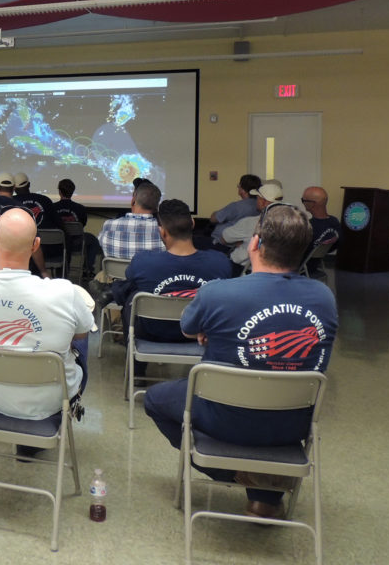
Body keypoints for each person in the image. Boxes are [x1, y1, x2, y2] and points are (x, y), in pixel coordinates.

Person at [144, 204, 338, 519]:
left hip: (223, 416)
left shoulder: (219, 293)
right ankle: (265, 495)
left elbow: (188, 329)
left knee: (154, 400)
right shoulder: (324, 298)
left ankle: (232, 474)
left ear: (255, 243)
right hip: (293, 423)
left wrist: (213, 331)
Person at [0, 208, 93, 426]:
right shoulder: (65, 292)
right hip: (53, 401)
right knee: (80, 337)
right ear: (36, 245)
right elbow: (82, 334)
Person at [100, 199, 232, 376]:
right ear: (192, 224)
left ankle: (136, 371)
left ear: (161, 231)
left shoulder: (143, 262)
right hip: (198, 334)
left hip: (152, 332)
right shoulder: (220, 263)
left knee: (132, 295)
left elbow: (133, 277)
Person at [220, 182, 284, 272]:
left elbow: (224, 239)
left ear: (263, 202)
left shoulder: (251, 223)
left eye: (257, 198)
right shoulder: (288, 224)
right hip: (276, 271)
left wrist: (240, 242)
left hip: (243, 270)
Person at [99, 181, 164, 259]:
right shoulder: (165, 232)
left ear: (133, 200)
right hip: (151, 271)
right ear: (157, 206)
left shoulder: (109, 225)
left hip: (115, 271)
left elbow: (100, 245)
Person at [54, 178, 103, 276]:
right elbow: (82, 224)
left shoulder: (52, 207)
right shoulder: (80, 208)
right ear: (72, 192)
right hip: (76, 242)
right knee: (93, 240)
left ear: (59, 191)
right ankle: (87, 270)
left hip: (57, 242)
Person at [208, 173, 262, 250]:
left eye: (239, 186)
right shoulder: (259, 206)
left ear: (242, 190)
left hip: (222, 245)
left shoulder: (237, 207)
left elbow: (213, 218)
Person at [300, 186, 340, 276]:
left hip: (300, 268)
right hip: (315, 265)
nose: (303, 203)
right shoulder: (334, 221)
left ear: (312, 204)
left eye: (303, 200)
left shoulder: (307, 227)